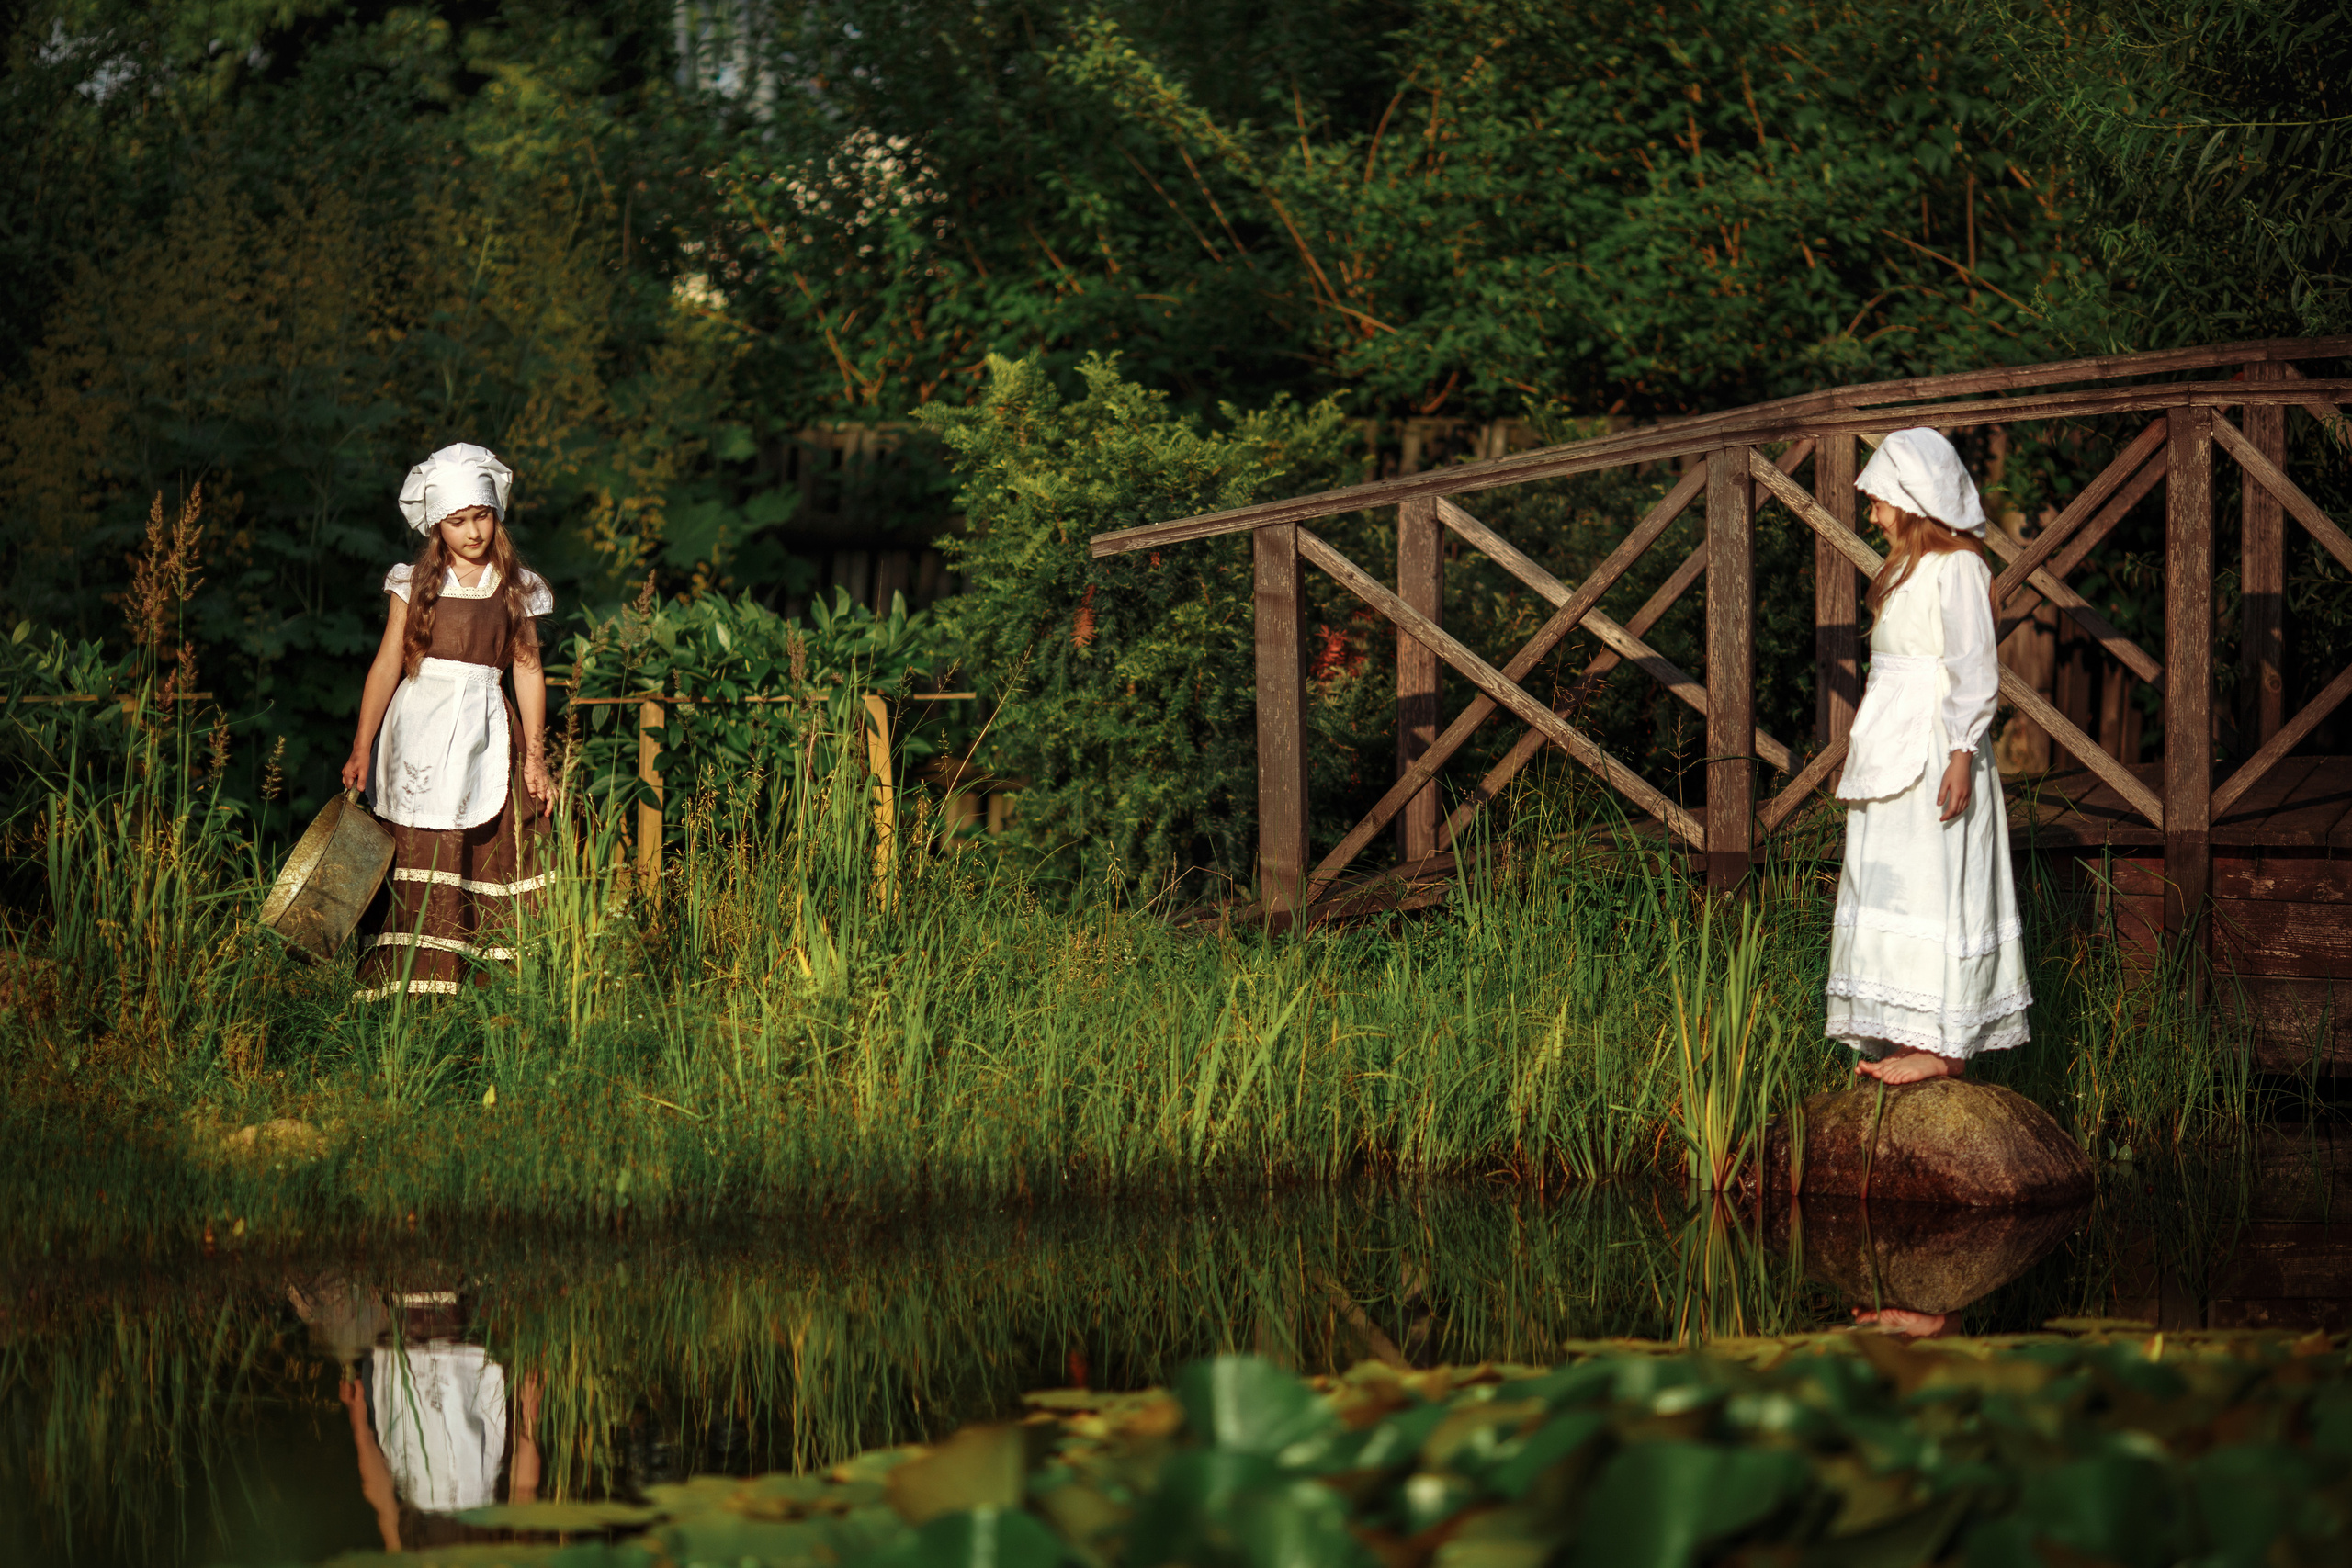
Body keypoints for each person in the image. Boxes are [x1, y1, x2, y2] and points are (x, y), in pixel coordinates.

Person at [1826, 428, 2030, 1085]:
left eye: (1880, 501)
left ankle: (1947, 1047)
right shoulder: (1902, 569)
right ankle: (1906, 1029)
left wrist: (1963, 750)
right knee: (1892, 877)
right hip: (1891, 743)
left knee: (1940, 878)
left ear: (1913, 500)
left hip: (1938, 745)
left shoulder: (1959, 567)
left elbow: (1973, 663)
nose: (1873, 514)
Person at [342, 443, 554, 1002]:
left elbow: (528, 670)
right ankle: (408, 983)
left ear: (496, 514)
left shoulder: (516, 586)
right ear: (437, 524)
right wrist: (362, 745)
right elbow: (387, 663)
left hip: (488, 730)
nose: (473, 532)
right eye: (458, 522)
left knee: (490, 839)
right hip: (418, 731)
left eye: (481, 516)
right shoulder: (415, 582)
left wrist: (536, 756)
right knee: (418, 838)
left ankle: (485, 983)